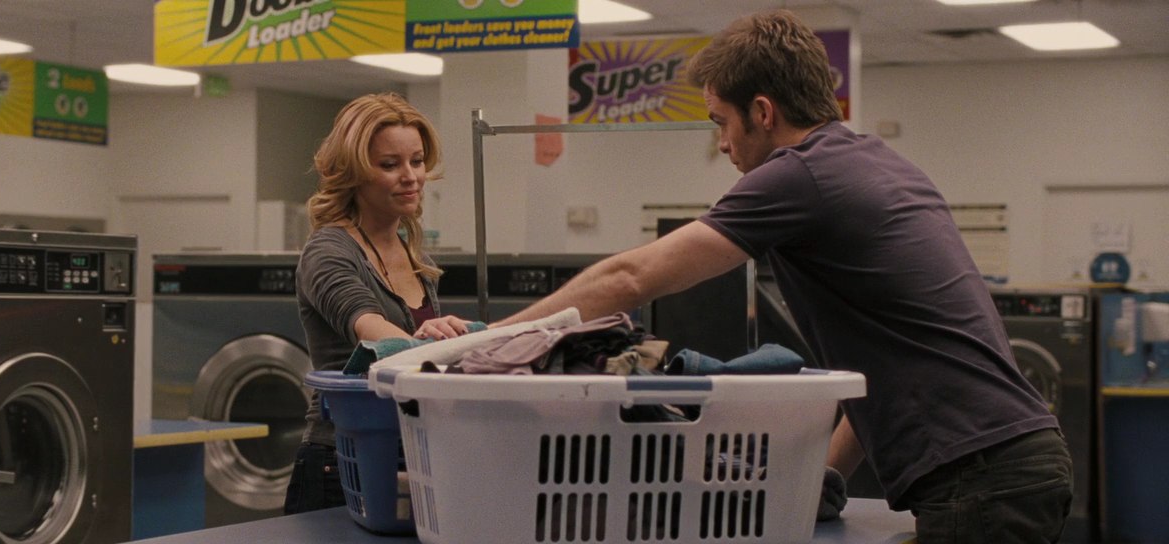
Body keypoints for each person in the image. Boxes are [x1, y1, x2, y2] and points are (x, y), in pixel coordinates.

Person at [493, 10, 1071, 543]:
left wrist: (493, 341)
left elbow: (632, 275)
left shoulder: (799, 176)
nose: (722, 144)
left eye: (721, 123)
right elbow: (878, 373)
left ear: (764, 113)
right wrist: (818, 479)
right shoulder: (879, 163)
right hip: (1011, 458)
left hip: (980, 475)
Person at [284, 92, 471, 514]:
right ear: (354, 174)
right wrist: (424, 343)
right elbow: (370, 329)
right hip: (340, 461)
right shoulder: (329, 250)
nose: (411, 177)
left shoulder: (416, 256)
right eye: (389, 165)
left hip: (405, 455)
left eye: (417, 161)